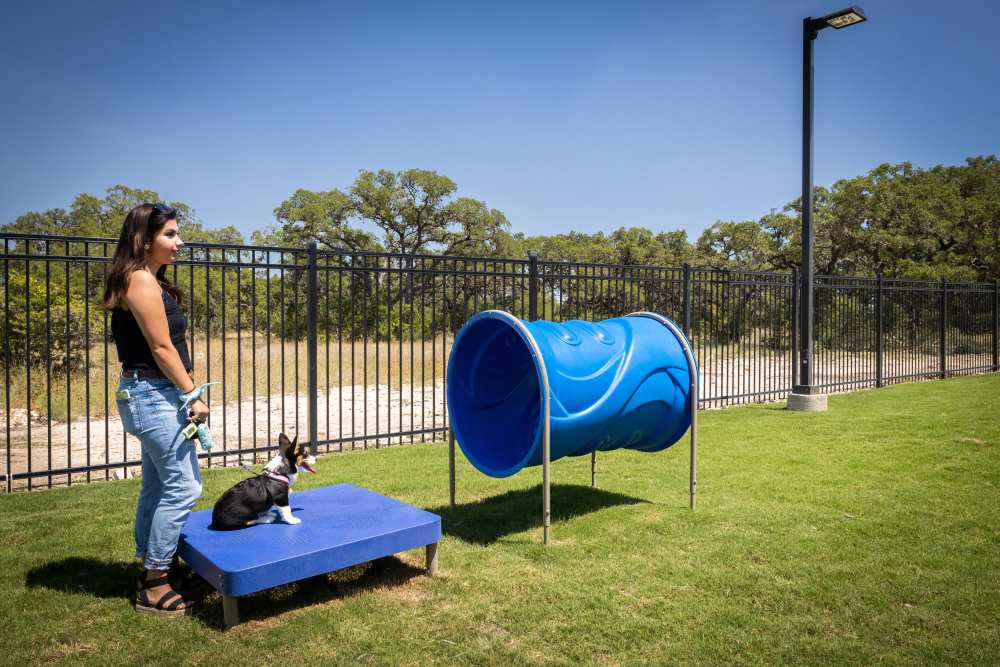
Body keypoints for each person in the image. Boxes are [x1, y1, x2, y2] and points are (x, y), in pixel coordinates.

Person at [102, 203, 210, 616]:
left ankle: (153, 566)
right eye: (170, 235)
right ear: (145, 240)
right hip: (154, 395)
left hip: (149, 393)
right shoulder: (141, 281)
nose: (179, 242)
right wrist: (192, 395)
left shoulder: (143, 280)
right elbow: (161, 347)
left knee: (157, 486)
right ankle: (154, 582)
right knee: (185, 487)